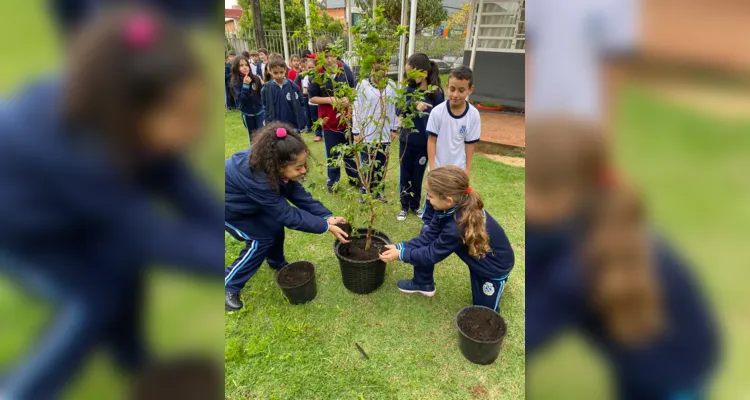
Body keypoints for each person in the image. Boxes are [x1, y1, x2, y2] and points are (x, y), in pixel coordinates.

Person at [0, 6, 222, 399]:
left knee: (123, 269)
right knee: (93, 299)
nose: (194, 130)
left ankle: (134, 363)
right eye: (183, 116)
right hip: (21, 228)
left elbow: (183, 189)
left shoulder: (126, 116)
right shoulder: (77, 150)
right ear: (130, 106)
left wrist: (225, 229)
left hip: (69, 209)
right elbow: (149, 237)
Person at [525, 117, 719, 399]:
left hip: (675, 371)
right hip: (650, 357)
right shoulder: (581, 214)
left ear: (561, 195)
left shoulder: (580, 266)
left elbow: (528, 334)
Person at [224, 123, 350, 311]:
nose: (304, 171)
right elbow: (288, 215)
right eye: (298, 168)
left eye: (304, 165)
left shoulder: (271, 162)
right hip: (225, 207)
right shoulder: (257, 178)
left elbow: (296, 194)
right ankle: (229, 285)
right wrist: (324, 226)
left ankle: (276, 262)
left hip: (249, 201)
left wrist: (326, 215)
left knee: (274, 225)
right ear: (279, 166)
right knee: (260, 240)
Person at [379, 166, 514, 310]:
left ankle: (498, 281)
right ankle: (423, 283)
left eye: (430, 195)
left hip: (493, 267)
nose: (427, 198)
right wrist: (401, 247)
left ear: (448, 200)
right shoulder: (450, 207)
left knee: (484, 312)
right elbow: (429, 235)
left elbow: (431, 254)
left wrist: (401, 255)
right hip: (479, 258)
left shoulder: (457, 227)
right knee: (425, 229)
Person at [423, 66, 480, 224]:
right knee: (432, 202)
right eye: (452, 89)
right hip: (438, 169)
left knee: (453, 206)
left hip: (457, 172)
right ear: (447, 86)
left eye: (461, 90)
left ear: (470, 90)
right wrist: (432, 168)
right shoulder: (437, 112)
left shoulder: (473, 115)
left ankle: (447, 232)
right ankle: (428, 227)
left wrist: (467, 170)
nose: (455, 95)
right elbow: (431, 140)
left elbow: (470, 145)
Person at [396, 53, 444, 221]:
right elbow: (398, 109)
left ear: (423, 73)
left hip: (424, 144)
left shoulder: (435, 94)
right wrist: (413, 104)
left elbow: (441, 119)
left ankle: (415, 205)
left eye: (411, 73)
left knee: (418, 176)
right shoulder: (408, 90)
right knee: (405, 174)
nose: (408, 76)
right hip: (406, 141)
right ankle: (403, 206)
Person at [308, 36, 359, 193]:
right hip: (329, 123)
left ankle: (354, 179)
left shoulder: (345, 69)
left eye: (332, 55)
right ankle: (333, 182)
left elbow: (353, 91)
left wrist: (348, 99)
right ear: (319, 54)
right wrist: (331, 100)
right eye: (326, 56)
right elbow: (312, 98)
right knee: (333, 155)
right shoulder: (317, 74)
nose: (330, 60)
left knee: (349, 154)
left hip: (347, 122)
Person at [352, 62, 398, 201]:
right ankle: (366, 191)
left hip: (384, 132)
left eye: (383, 72)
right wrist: (356, 131)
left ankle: (379, 191)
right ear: (371, 70)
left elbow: (394, 107)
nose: (379, 76)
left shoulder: (391, 86)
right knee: (367, 163)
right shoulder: (363, 85)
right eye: (376, 71)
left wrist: (393, 128)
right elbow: (356, 108)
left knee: (381, 164)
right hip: (367, 132)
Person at [260, 57, 305, 131]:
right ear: (270, 71)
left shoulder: (293, 86)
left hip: (293, 125)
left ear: (285, 70)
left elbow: (301, 104)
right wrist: (267, 121)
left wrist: (302, 119)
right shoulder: (266, 89)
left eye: (281, 72)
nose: (279, 75)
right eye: (275, 73)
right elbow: (264, 107)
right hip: (275, 126)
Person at [230, 55, 265, 142]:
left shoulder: (255, 78)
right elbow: (241, 100)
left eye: (246, 65)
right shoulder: (235, 83)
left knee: (262, 135)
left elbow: (261, 94)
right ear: (236, 68)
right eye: (241, 66)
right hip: (248, 114)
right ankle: (254, 154)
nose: (245, 67)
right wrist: (245, 85)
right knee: (253, 137)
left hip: (260, 112)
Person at [301, 58, 323, 141]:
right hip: (312, 103)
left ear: (316, 67)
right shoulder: (306, 77)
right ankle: (318, 134)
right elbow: (305, 91)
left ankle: (324, 131)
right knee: (315, 119)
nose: (310, 69)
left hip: (321, 102)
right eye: (309, 68)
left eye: (312, 67)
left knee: (323, 117)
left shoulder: (320, 76)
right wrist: (313, 92)